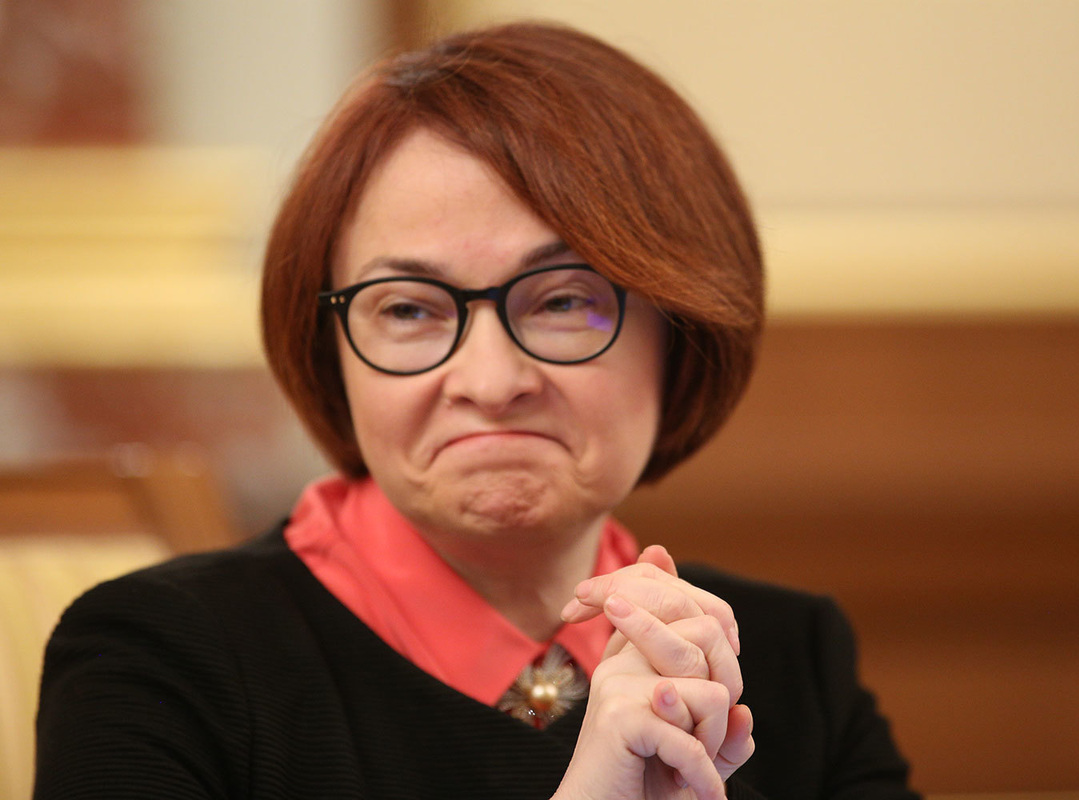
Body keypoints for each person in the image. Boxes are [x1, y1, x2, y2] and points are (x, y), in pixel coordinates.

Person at [34, 22, 918, 800]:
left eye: (563, 300)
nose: (491, 382)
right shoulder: (158, 657)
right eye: (409, 309)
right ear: (332, 352)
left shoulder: (784, 659)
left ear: (680, 336)